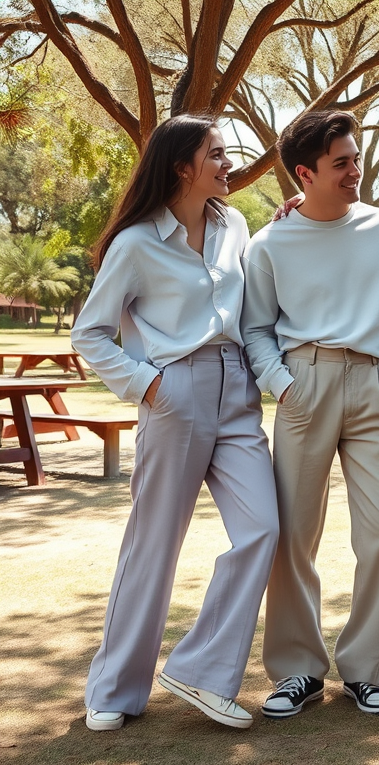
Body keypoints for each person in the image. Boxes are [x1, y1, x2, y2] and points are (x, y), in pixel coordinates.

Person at [72, 115, 280, 731]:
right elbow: (92, 332)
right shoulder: (136, 244)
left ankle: (200, 670)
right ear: (182, 165)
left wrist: (282, 226)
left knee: (263, 529)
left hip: (237, 389)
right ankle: (113, 689)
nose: (228, 162)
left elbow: (248, 290)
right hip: (174, 390)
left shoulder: (234, 225)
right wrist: (149, 383)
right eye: (215, 153)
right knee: (154, 545)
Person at [241, 110, 379, 719]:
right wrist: (283, 386)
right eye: (340, 163)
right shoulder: (268, 243)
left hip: (376, 388)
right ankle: (297, 670)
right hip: (303, 385)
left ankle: (366, 668)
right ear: (303, 174)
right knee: (294, 536)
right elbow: (256, 328)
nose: (354, 171)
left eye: (356, 158)